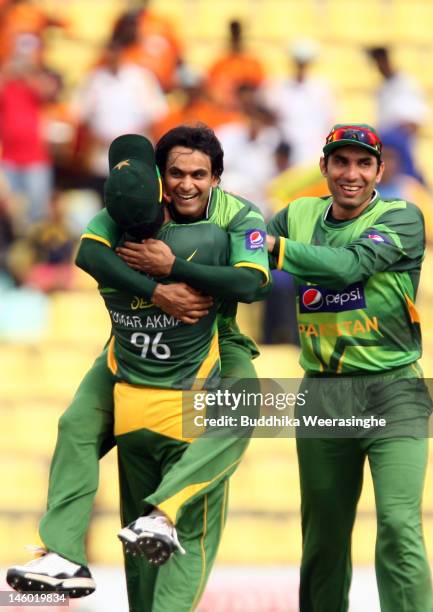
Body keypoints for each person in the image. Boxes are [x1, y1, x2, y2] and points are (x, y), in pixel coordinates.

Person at [7, 128, 269, 610]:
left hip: (217, 335)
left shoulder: (237, 214)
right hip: (134, 342)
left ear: (217, 178)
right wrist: (155, 293)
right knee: (75, 423)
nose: (186, 185)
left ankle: (165, 512)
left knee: (249, 402)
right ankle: (62, 553)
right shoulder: (134, 205)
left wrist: (174, 270)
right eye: (175, 174)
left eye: (199, 175)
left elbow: (251, 284)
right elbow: (88, 252)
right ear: (158, 176)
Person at [266, 124, 433, 612]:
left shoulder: (402, 216)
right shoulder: (298, 214)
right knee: (323, 540)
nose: (351, 174)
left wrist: (273, 249)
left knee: (401, 527)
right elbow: (245, 257)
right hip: (323, 394)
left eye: (363, 163)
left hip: (394, 390)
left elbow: (349, 266)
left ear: (380, 170)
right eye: (341, 162)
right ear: (324, 168)